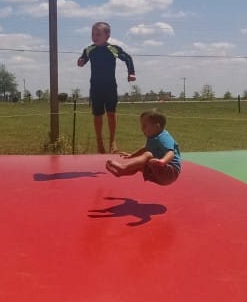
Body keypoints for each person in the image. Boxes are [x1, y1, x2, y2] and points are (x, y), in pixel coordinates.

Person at [77, 21, 135, 153]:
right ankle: (99, 141)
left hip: (110, 86)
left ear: (107, 36)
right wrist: (80, 62)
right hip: (96, 87)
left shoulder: (113, 49)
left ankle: (112, 141)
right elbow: (82, 60)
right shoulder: (89, 49)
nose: (94, 37)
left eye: (98, 34)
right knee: (98, 115)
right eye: (93, 34)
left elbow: (128, 58)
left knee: (111, 113)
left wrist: (131, 73)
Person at [105, 109, 181, 186]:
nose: (141, 128)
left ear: (156, 126)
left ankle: (123, 167)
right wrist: (132, 155)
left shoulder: (163, 137)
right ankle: (121, 172)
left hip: (170, 172)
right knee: (139, 164)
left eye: (144, 126)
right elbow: (145, 148)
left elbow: (171, 153)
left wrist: (162, 161)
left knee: (148, 154)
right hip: (159, 172)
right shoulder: (152, 137)